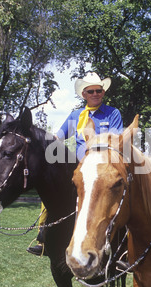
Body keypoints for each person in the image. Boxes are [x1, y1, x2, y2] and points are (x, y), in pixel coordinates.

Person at [27, 72, 123, 256]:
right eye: (91, 91)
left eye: (98, 90)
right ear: (84, 94)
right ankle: (44, 237)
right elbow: (57, 138)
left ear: (103, 93)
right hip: (79, 168)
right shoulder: (75, 115)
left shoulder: (113, 113)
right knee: (49, 188)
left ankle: (121, 242)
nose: (95, 94)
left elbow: (115, 141)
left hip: (103, 168)